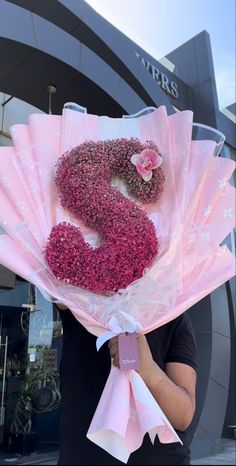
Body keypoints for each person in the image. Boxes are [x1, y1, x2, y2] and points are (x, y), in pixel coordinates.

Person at [55, 304, 197, 465]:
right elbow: (50, 283)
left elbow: (183, 416)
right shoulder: (80, 305)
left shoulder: (174, 318)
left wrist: (148, 369)